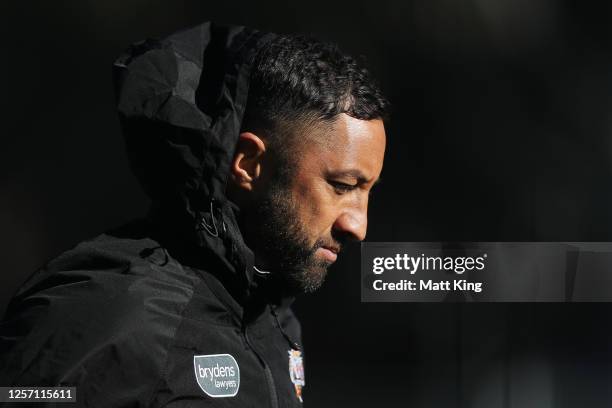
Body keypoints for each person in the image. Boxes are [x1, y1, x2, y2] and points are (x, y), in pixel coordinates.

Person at [0, 21, 388, 407]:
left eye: (368, 190)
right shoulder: (112, 315)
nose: (358, 225)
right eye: (342, 186)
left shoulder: (275, 320)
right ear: (249, 164)